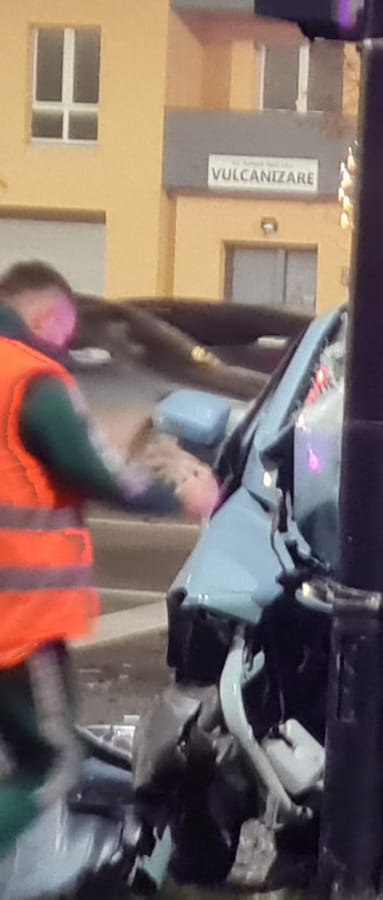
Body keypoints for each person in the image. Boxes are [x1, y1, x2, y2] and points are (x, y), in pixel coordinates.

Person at [0, 261, 219, 860]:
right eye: (66, 329)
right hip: (17, 620)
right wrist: (182, 497)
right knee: (48, 761)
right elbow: (97, 470)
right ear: (48, 314)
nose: (68, 344)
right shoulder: (32, 380)